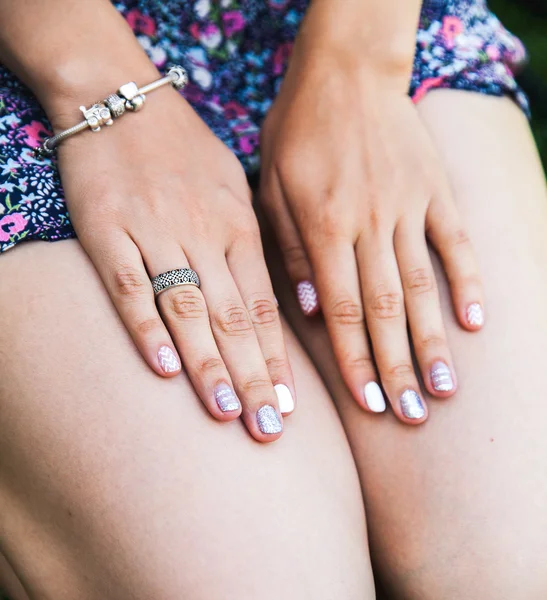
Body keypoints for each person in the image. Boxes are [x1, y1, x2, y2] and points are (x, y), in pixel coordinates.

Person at [0, 0, 546, 598]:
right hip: (39, 55)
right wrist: (104, 90)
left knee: (517, 561)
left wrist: (358, 62)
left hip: (340, 22)